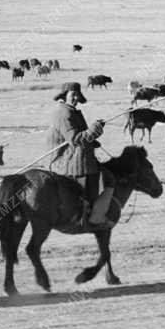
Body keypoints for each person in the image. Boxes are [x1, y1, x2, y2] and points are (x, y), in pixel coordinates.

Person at [46, 82, 115, 226]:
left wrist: (92, 140)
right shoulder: (64, 112)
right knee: (104, 180)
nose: (76, 98)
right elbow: (75, 138)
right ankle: (93, 218)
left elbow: (80, 136)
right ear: (65, 96)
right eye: (73, 95)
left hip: (76, 155)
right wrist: (94, 129)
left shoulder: (70, 110)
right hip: (69, 160)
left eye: (77, 95)